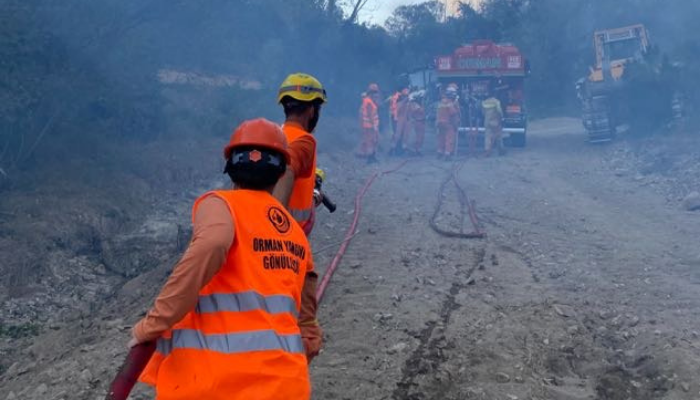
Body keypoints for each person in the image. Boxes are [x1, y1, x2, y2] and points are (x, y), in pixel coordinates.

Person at [131, 118, 322, 399]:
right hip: (285, 386)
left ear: (230, 168)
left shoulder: (221, 205)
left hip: (215, 384)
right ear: (281, 172)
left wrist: (150, 326)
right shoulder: (294, 232)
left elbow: (212, 244)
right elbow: (309, 330)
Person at [274, 73, 327, 235]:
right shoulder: (305, 141)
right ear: (311, 111)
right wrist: (273, 227)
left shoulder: (275, 134)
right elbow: (288, 169)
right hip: (290, 236)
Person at [436, 87, 461, 160]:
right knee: (449, 138)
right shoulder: (450, 103)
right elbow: (453, 113)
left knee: (441, 138)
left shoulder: (441, 102)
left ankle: (440, 152)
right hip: (447, 123)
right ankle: (447, 154)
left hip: (439, 123)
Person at [358, 83, 381, 163]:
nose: (376, 94)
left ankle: (372, 156)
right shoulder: (368, 101)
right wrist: (374, 125)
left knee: (374, 140)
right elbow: (370, 114)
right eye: (374, 92)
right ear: (371, 93)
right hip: (369, 126)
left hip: (370, 125)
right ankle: (370, 158)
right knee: (371, 141)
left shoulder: (369, 100)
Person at [482, 91, 504, 156]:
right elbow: (499, 111)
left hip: (487, 122)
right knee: (498, 135)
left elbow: (483, 113)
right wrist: (501, 118)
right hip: (495, 121)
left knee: (488, 136)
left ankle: (487, 150)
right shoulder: (496, 102)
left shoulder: (484, 102)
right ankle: (501, 150)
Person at [389, 88, 410, 156]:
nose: (406, 97)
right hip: (398, 121)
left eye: (407, 96)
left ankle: (403, 149)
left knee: (405, 135)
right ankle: (392, 149)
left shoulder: (407, 103)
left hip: (405, 121)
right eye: (405, 96)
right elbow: (396, 109)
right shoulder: (398, 102)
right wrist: (404, 101)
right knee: (397, 135)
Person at [407, 91, 426, 155]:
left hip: (420, 122)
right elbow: (419, 111)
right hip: (417, 122)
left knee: (420, 137)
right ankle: (415, 150)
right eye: (421, 98)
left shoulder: (416, 104)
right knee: (418, 137)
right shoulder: (414, 105)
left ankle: (417, 150)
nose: (422, 99)